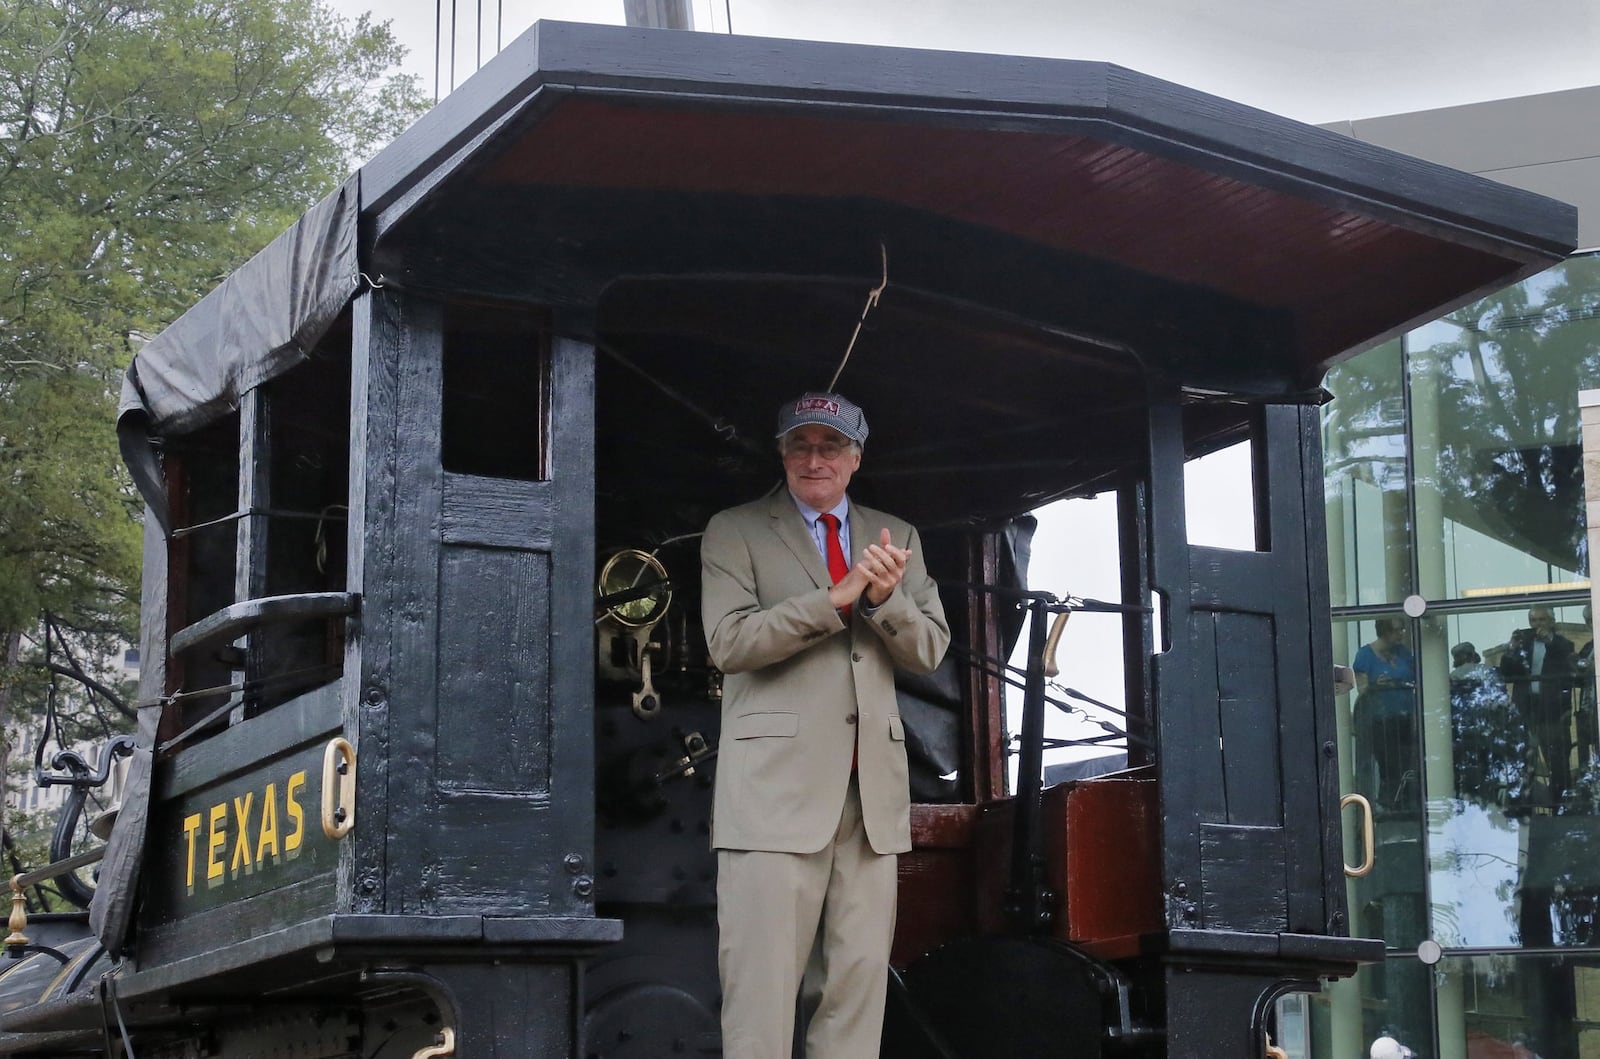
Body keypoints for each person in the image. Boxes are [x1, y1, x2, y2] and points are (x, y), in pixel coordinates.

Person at [701, 391, 951, 1058]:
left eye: (831, 445)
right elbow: (729, 644)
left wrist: (883, 598)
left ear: (856, 457)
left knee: (854, 997)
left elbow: (928, 649)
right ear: (782, 454)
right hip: (772, 794)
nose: (816, 458)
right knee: (762, 998)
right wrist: (834, 600)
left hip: (870, 799)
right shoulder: (735, 528)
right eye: (801, 444)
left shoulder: (896, 536)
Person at [1498, 606, 1577, 804]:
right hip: (1526, 707)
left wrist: (1549, 641)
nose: (1538, 625)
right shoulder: (1525, 644)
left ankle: (1560, 803)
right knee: (1524, 757)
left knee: (1555, 758)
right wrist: (1511, 650)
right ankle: (1525, 804)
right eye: (1534, 621)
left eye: (1542, 620)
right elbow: (1507, 672)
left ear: (1551, 621)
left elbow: (1566, 663)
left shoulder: (1563, 643)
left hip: (1551, 709)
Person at [1351, 617, 1417, 810]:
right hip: (1380, 719)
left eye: (1402, 630)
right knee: (1389, 762)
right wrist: (1375, 685)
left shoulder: (1403, 654)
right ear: (1385, 632)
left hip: (1406, 716)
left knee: (1407, 760)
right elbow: (1361, 688)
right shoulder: (1365, 655)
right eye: (1397, 630)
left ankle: (1404, 801)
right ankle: (1387, 804)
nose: (1401, 634)